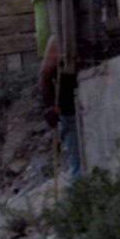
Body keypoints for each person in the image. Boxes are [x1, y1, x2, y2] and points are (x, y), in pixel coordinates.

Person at [39, 35, 82, 181]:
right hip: (70, 112)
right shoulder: (60, 38)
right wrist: (50, 107)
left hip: (90, 107)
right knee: (79, 166)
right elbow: (45, 73)